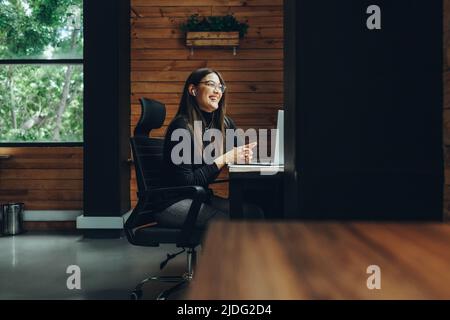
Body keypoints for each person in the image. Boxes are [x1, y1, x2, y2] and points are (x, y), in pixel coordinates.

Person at [157, 68, 258, 228]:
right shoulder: (181, 127)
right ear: (193, 90)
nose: (217, 91)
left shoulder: (225, 124)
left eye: (220, 87)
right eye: (211, 84)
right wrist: (226, 157)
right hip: (173, 202)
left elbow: (237, 154)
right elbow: (186, 183)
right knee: (227, 224)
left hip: (199, 197)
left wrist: (244, 155)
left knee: (253, 213)